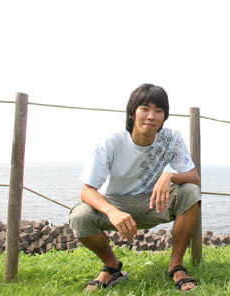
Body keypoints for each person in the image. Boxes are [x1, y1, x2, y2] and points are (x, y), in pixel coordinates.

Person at [69, 83, 201, 292]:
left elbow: (194, 178)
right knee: (80, 216)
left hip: (153, 202)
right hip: (117, 203)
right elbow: (86, 190)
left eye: (159, 111)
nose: (151, 116)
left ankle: (176, 266)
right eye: (145, 109)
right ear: (132, 113)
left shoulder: (171, 138)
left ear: (164, 117)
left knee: (191, 192)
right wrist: (112, 212)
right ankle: (112, 267)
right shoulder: (112, 142)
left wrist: (169, 176)